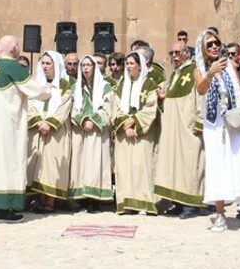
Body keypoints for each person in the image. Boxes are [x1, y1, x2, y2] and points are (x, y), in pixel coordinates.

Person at [195, 29, 240, 233]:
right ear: (203, 49)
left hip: (235, 120)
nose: (215, 46)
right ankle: (221, 215)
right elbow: (200, 89)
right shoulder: (198, 68)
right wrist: (211, 73)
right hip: (214, 123)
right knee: (217, 167)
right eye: (210, 44)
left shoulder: (230, 67)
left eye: (217, 42)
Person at [0, 35, 51, 222]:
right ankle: (4, 210)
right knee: (9, 165)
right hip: (8, 126)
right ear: (14, 49)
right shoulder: (13, 67)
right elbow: (36, 91)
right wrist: (48, 89)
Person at [154, 40, 203, 218]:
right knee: (175, 166)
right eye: (171, 53)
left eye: (177, 53)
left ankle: (191, 205)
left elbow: (201, 97)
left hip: (188, 128)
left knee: (189, 165)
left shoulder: (194, 71)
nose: (174, 56)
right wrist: (162, 97)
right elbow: (172, 101)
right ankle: (178, 203)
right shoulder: (175, 74)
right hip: (173, 128)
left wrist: (200, 122)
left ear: (186, 53)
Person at [112, 51, 159, 216]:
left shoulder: (149, 84)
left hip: (142, 134)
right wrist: (126, 125)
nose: (129, 66)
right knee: (125, 168)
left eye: (132, 63)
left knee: (141, 167)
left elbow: (151, 108)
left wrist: (134, 122)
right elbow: (116, 107)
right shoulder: (122, 84)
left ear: (140, 66)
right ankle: (126, 204)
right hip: (124, 133)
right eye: (127, 63)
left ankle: (144, 203)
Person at [27, 50, 72, 212]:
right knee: (38, 165)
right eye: (43, 63)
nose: (45, 67)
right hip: (38, 129)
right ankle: (39, 199)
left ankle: (50, 202)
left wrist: (51, 123)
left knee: (51, 165)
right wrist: (38, 121)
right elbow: (30, 103)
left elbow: (64, 106)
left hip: (55, 132)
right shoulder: (36, 83)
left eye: (48, 63)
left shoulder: (65, 85)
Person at [69, 55, 114, 211]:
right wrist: (82, 120)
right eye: (83, 65)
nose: (85, 68)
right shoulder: (76, 88)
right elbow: (73, 109)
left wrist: (93, 121)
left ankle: (94, 200)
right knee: (80, 164)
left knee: (95, 164)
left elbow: (108, 109)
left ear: (95, 68)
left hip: (96, 132)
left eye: (89, 65)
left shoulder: (105, 87)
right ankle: (81, 199)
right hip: (80, 131)